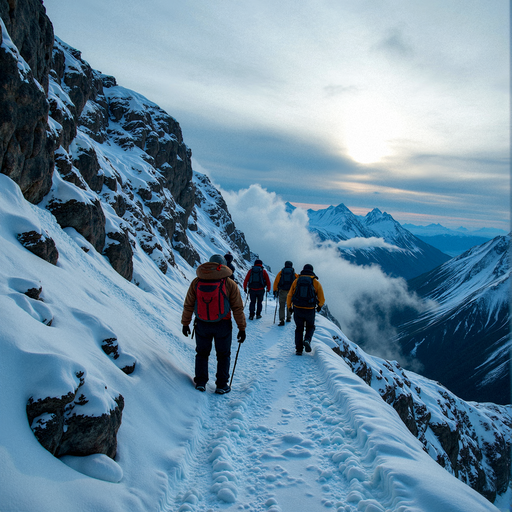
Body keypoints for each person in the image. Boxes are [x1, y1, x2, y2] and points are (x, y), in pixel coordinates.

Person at [181, 254, 246, 394]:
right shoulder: (229, 283)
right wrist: (242, 328)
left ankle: (200, 382)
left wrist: (185, 323)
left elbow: (189, 304)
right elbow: (237, 308)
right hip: (223, 324)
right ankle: (222, 385)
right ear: (223, 266)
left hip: (202, 324)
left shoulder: (197, 282)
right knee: (223, 354)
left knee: (202, 353)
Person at [287, 263, 325, 355]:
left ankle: (299, 349)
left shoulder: (296, 281)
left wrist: (289, 307)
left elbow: (289, 295)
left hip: (297, 308)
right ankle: (307, 340)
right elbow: (321, 297)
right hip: (310, 309)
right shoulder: (315, 282)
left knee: (299, 328)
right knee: (310, 326)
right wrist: (319, 306)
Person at [273, 261, 297, 326]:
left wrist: (275, 290)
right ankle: (288, 318)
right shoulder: (293, 273)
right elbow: (297, 281)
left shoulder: (281, 272)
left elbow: (276, 281)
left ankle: (282, 320)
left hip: (282, 291)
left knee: (282, 306)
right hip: (290, 292)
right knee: (289, 305)